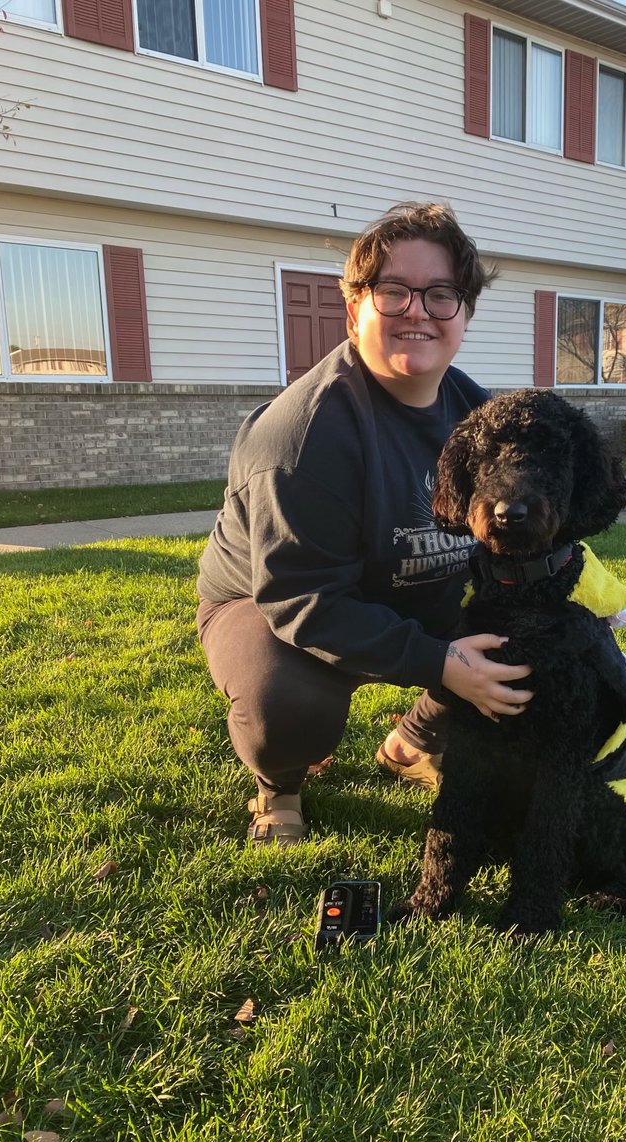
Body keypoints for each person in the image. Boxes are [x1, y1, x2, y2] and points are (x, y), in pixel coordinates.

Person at [196, 201, 534, 846]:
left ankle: (414, 740)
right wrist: (442, 662)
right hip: (271, 602)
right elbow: (302, 600)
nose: (417, 312)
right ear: (354, 310)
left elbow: (513, 537)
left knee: (526, 638)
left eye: (441, 295)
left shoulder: (480, 417)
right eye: (393, 291)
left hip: (411, 582)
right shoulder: (300, 436)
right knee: (288, 703)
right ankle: (279, 783)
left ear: (464, 315)